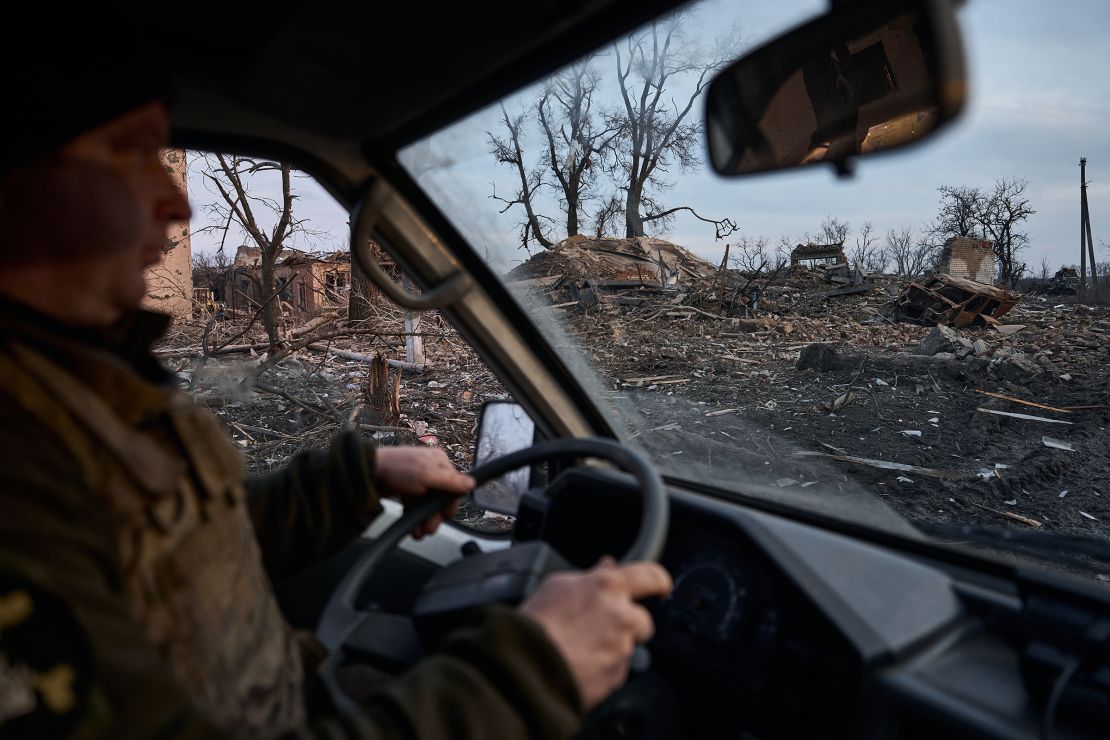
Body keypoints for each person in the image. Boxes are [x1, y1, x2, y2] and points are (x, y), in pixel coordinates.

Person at [0, 20, 671, 740]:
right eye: (133, 153)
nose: (177, 206)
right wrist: (524, 677)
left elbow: (179, 547)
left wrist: (351, 479)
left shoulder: (76, 377)